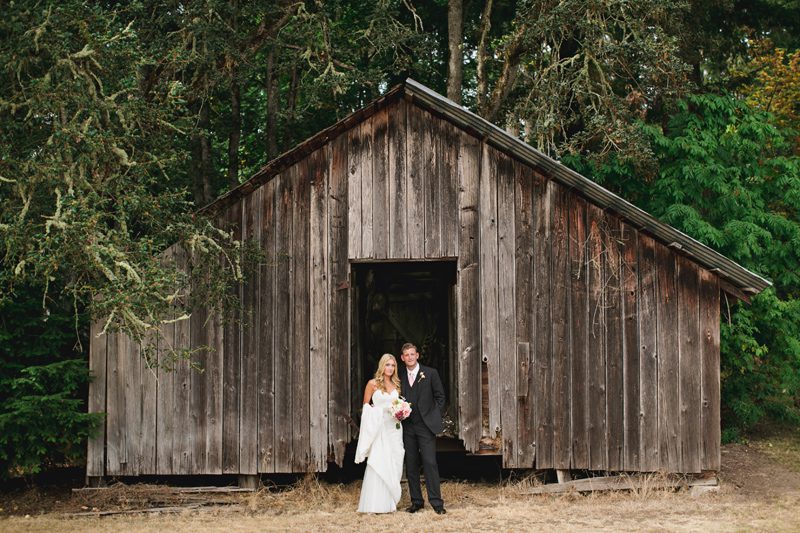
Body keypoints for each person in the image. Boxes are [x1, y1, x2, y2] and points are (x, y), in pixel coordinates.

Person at [398, 342, 446, 514]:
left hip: (425, 426)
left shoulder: (431, 373)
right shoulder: (400, 375)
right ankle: (417, 501)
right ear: (402, 358)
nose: (410, 357)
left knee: (430, 463)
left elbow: (440, 397)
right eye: (406, 355)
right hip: (407, 427)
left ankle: (437, 503)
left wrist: (434, 416)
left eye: (412, 354)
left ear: (417, 355)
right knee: (411, 465)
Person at [355, 353, 405, 513]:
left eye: (393, 365)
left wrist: (401, 411)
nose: (390, 368)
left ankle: (390, 502)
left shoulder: (397, 385)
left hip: (395, 428)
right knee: (380, 461)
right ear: (382, 366)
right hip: (380, 427)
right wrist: (379, 412)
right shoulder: (372, 384)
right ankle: (375, 504)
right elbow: (366, 407)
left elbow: (398, 403)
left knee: (396, 458)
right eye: (387, 365)